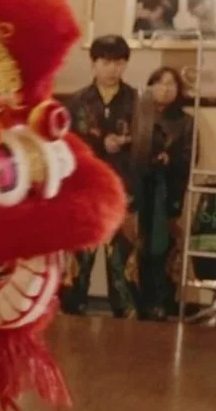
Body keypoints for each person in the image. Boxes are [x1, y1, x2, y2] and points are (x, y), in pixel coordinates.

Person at [62, 35, 139, 316]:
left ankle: (127, 320)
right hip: (86, 189)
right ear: (93, 63)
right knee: (79, 258)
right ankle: (72, 311)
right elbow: (66, 144)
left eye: (118, 62)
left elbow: (145, 146)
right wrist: (99, 144)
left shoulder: (136, 101)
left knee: (123, 262)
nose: (112, 68)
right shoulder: (77, 102)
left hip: (124, 189)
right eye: (105, 61)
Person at [134, 66, 194, 321]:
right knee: (136, 245)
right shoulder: (138, 115)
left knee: (162, 248)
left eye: (171, 84)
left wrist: (170, 160)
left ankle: (161, 301)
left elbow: (189, 158)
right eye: (159, 82)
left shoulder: (185, 121)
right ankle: (136, 301)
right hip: (138, 187)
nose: (165, 88)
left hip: (166, 189)